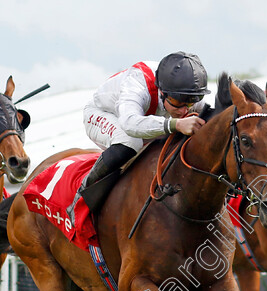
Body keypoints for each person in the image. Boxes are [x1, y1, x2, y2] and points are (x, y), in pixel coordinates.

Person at [67, 52, 211, 221]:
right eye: (178, 102)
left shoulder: (184, 92)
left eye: (191, 101)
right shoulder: (137, 83)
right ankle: (81, 198)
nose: (185, 110)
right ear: (162, 92)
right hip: (104, 114)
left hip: (140, 120)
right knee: (130, 141)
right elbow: (129, 124)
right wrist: (176, 124)